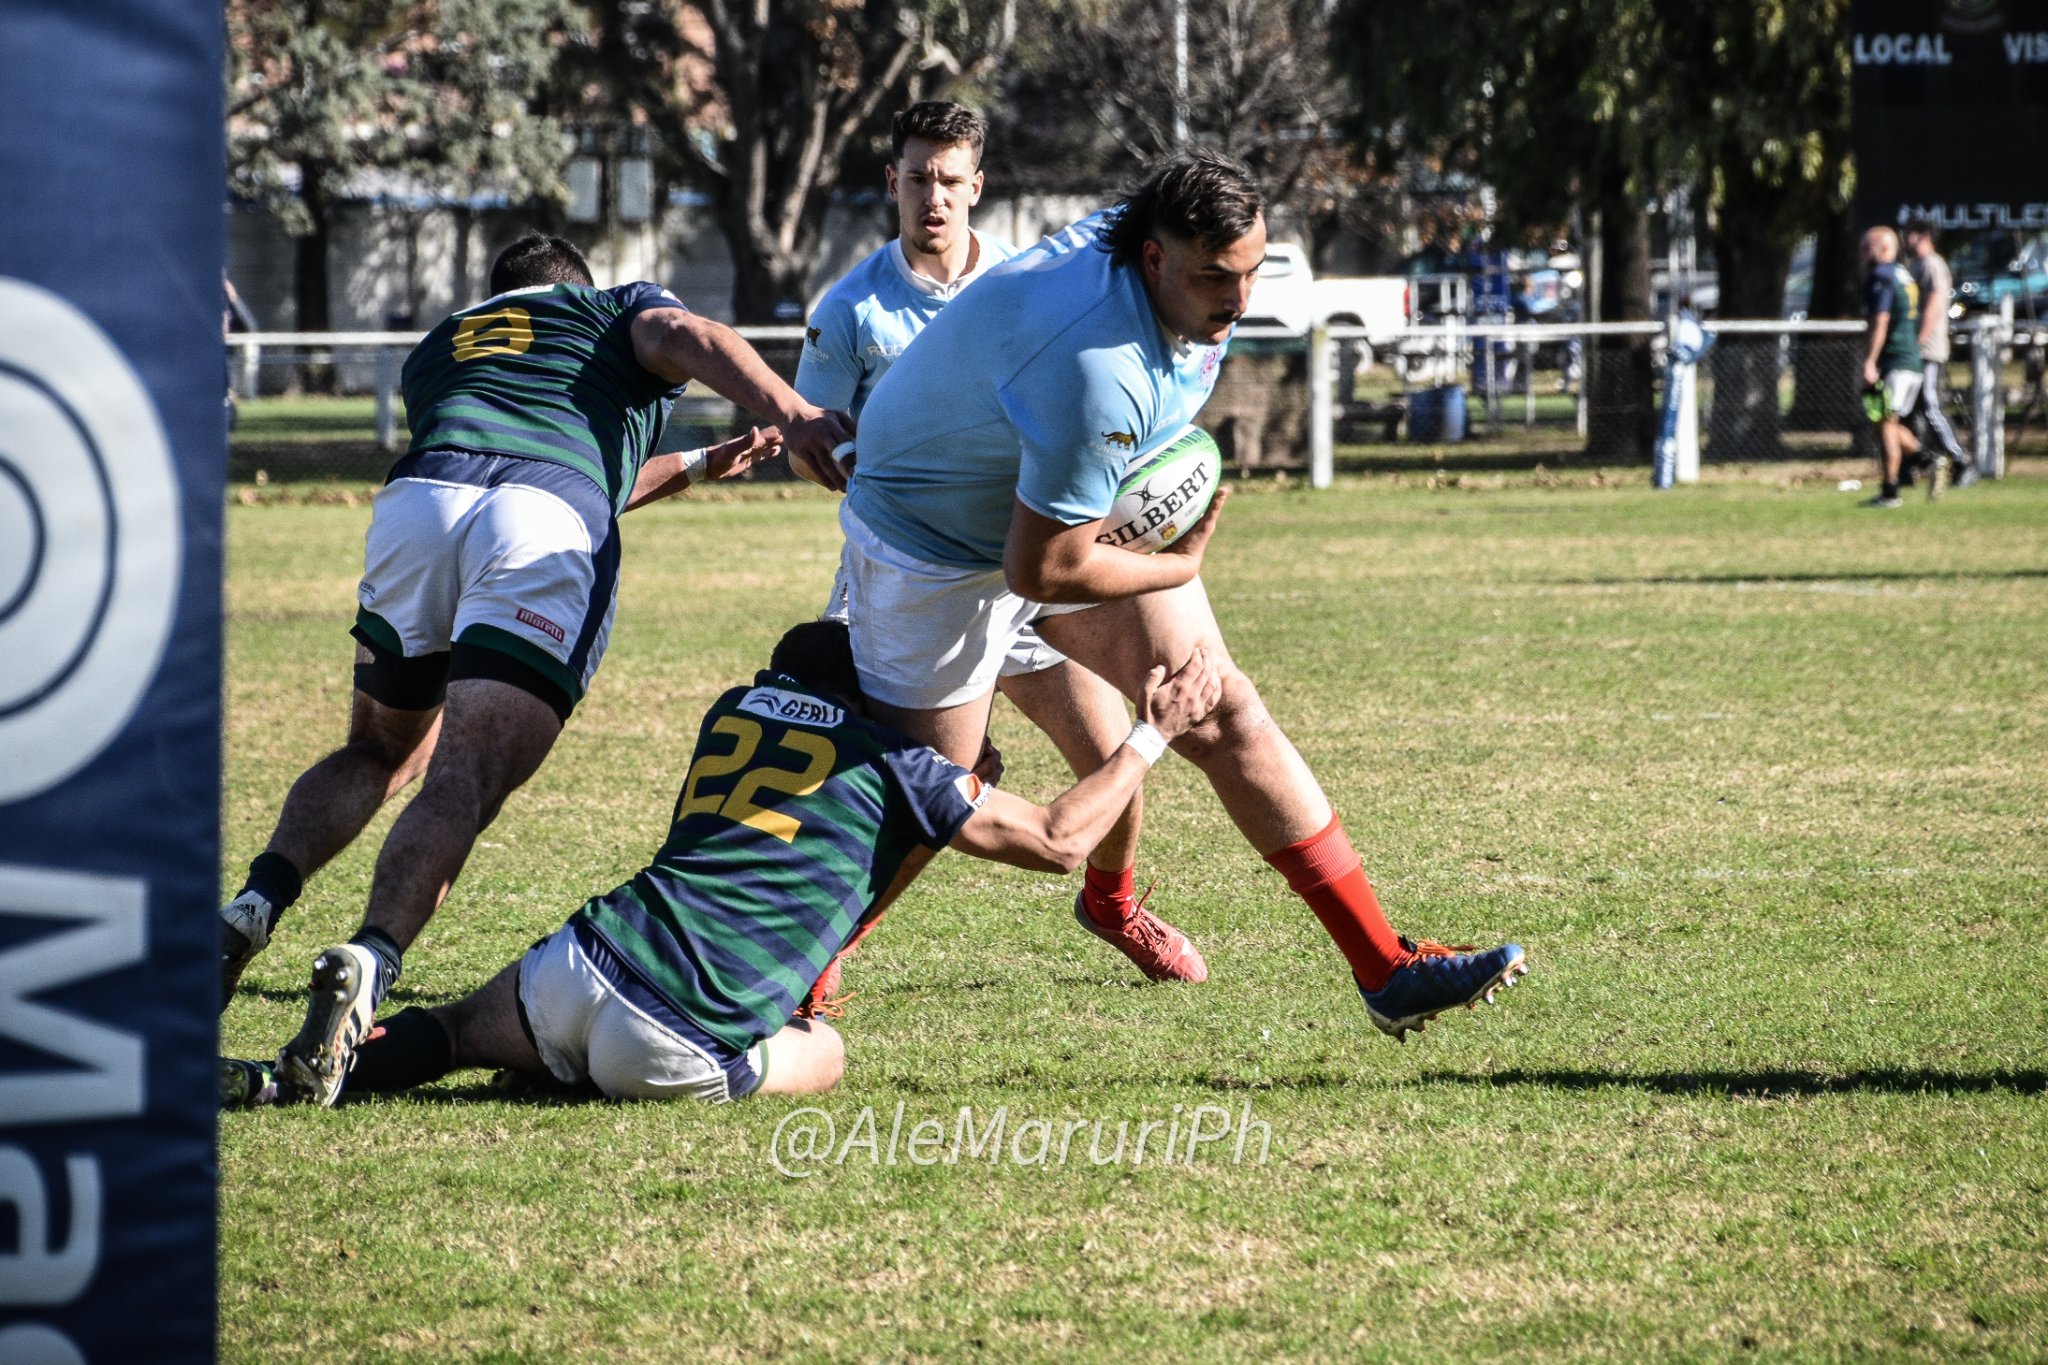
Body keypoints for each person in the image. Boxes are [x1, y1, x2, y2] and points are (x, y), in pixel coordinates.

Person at [813, 148, 1527, 1043]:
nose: (1237, 299)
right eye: (1214, 278)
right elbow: (1042, 569)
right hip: (932, 551)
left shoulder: (1171, 274)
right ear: (1154, 261)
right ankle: (796, 974)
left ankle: (1385, 966)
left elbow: (1062, 536)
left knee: (1221, 707)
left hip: (1045, 506)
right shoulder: (1094, 364)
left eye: (1252, 272)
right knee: (943, 793)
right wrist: (1174, 567)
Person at [218, 232, 854, 1105]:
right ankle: (371, 958)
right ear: (574, 286)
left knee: (376, 749)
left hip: (420, 504)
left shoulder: (442, 347)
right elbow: (686, 337)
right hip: (537, 522)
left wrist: (701, 464)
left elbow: (559, 464)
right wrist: (792, 411)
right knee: (462, 773)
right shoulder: (607, 306)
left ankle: (252, 905)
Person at [220, 621, 1223, 1107]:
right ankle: (587, 1077)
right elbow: (1054, 839)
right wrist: (1148, 734)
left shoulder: (729, 713)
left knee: (444, 1033)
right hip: (681, 1039)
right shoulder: (897, 759)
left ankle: (281, 1084)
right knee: (823, 1051)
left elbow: (811, 820)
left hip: (585, 958)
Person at [796, 100, 1204, 993]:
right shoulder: (852, 308)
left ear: (977, 186)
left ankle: (1113, 902)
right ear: (892, 184)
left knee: (1112, 767)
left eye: (950, 179)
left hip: (1027, 563)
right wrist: (836, 448)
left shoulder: (1022, 287)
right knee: (918, 785)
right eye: (916, 178)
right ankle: (830, 945)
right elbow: (811, 439)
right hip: (917, 569)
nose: (932, 197)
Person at [1903, 220, 1978, 494]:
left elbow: (1935, 304)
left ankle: (1962, 460)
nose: (1905, 238)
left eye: (1910, 233)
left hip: (1928, 349)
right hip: (1914, 348)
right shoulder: (1915, 266)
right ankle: (1914, 463)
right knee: (1909, 409)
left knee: (1930, 405)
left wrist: (1917, 341)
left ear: (1923, 236)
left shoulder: (1932, 264)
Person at [1859, 226, 1925, 509]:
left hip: (1894, 361)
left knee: (1886, 424)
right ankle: (1926, 458)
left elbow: (1882, 321)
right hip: (1910, 361)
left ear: (1884, 248)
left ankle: (1890, 491)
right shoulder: (1904, 274)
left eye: (1866, 248)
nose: (1862, 254)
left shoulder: (1882, 275)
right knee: (1882, 421)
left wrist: (1870, 360)